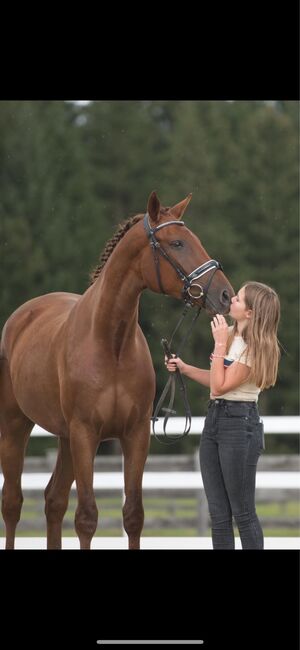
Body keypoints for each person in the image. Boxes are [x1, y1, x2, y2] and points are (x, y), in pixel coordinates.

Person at [166, 281, 281, 549]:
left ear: (250, 313)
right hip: (215, 420)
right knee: (218, 515)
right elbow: (218, 380)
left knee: (243, 513)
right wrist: (185, 368)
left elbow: (219, 386)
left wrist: (219, 345)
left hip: (239, 424)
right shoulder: (229, 335)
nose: (232, 300)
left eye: (238, 299)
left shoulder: (253, 347)